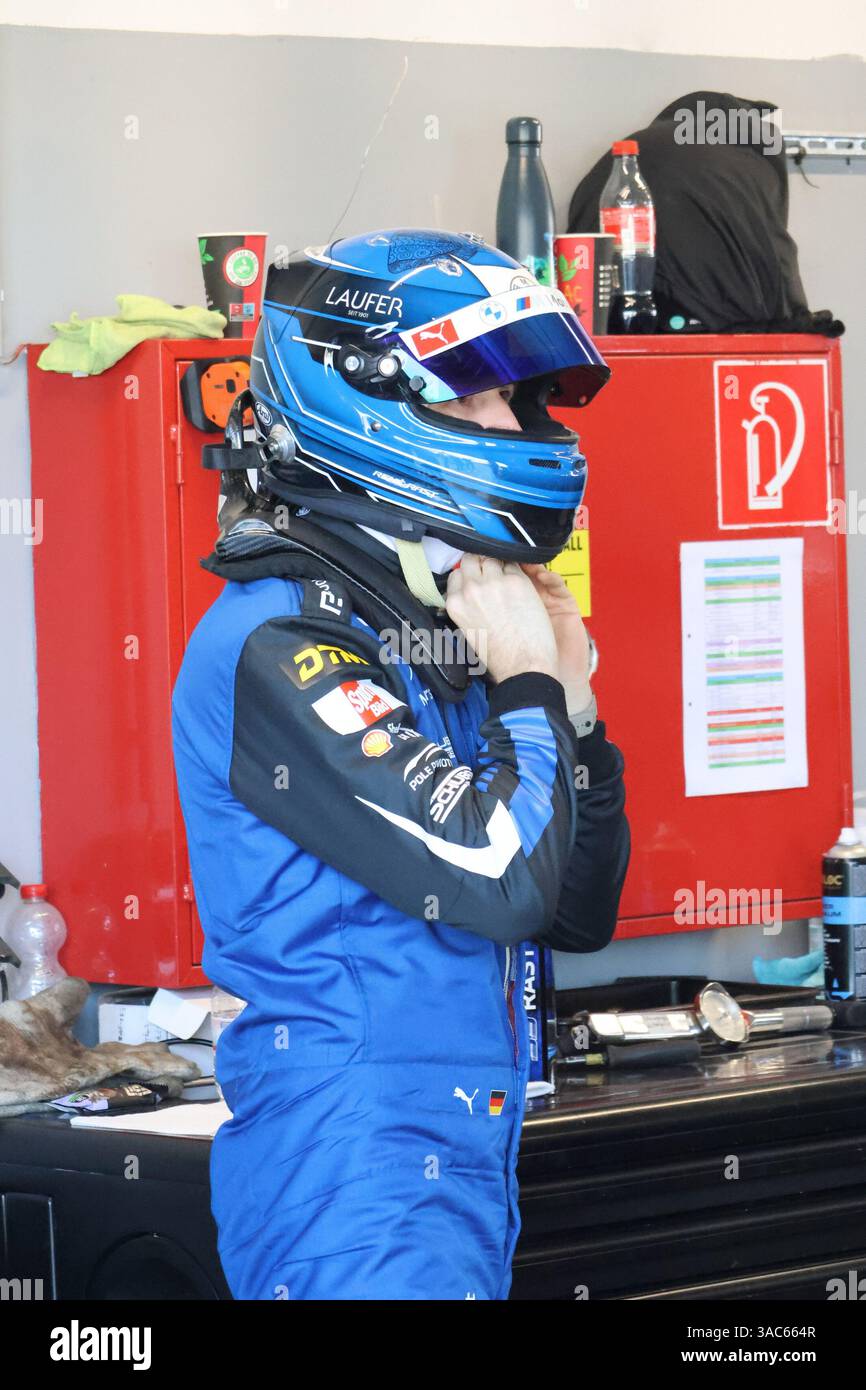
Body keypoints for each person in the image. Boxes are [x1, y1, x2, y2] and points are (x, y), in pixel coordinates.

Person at [172, 228, 630, 1300]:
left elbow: (575, 908)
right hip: (351, 1174)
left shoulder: (416, 625)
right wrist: (518, 682)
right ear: (363, 398)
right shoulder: (278, 645)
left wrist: (571, 700)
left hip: (458, 1153)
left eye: (521, 400)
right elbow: (499, 877)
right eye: (478, 395)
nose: (515, 425)